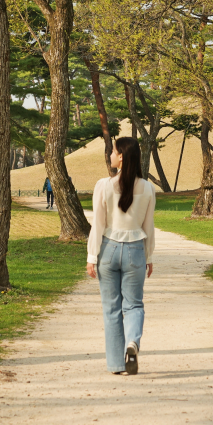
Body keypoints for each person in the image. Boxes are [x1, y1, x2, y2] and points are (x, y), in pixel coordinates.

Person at [86, 136, 155, 375]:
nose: (111, 155)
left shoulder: (103, 185)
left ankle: (116, 364)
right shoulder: (147, 188)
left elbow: (98, 225)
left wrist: (92, 256)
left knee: (112, 308)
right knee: (134, 304)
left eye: (113, 151)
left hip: (108, 250)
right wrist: (148, 257)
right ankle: (132, 342)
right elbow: (149, 227)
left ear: (122, 156)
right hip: (136, 250)